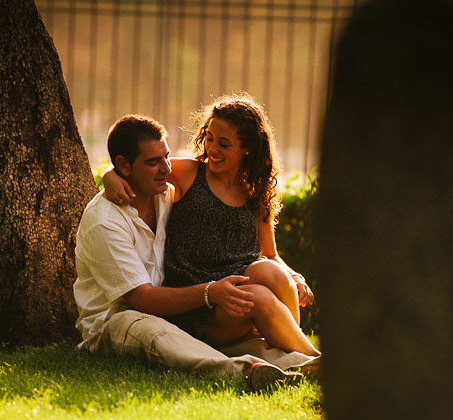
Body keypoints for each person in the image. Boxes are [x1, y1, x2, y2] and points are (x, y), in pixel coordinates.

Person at [73, 115, 317, 390]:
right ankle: (245, 371)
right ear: (123, 166)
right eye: (153, 162)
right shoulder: (105, 220)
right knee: (153, 330)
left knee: (261, 290)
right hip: (118, 319)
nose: (166, 168)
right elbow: (141, 299)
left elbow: (268, 253)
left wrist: (288, 275)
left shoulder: (163, 194)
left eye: (166, 157)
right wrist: (209, 292)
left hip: (175, 310)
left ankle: (309, 363)